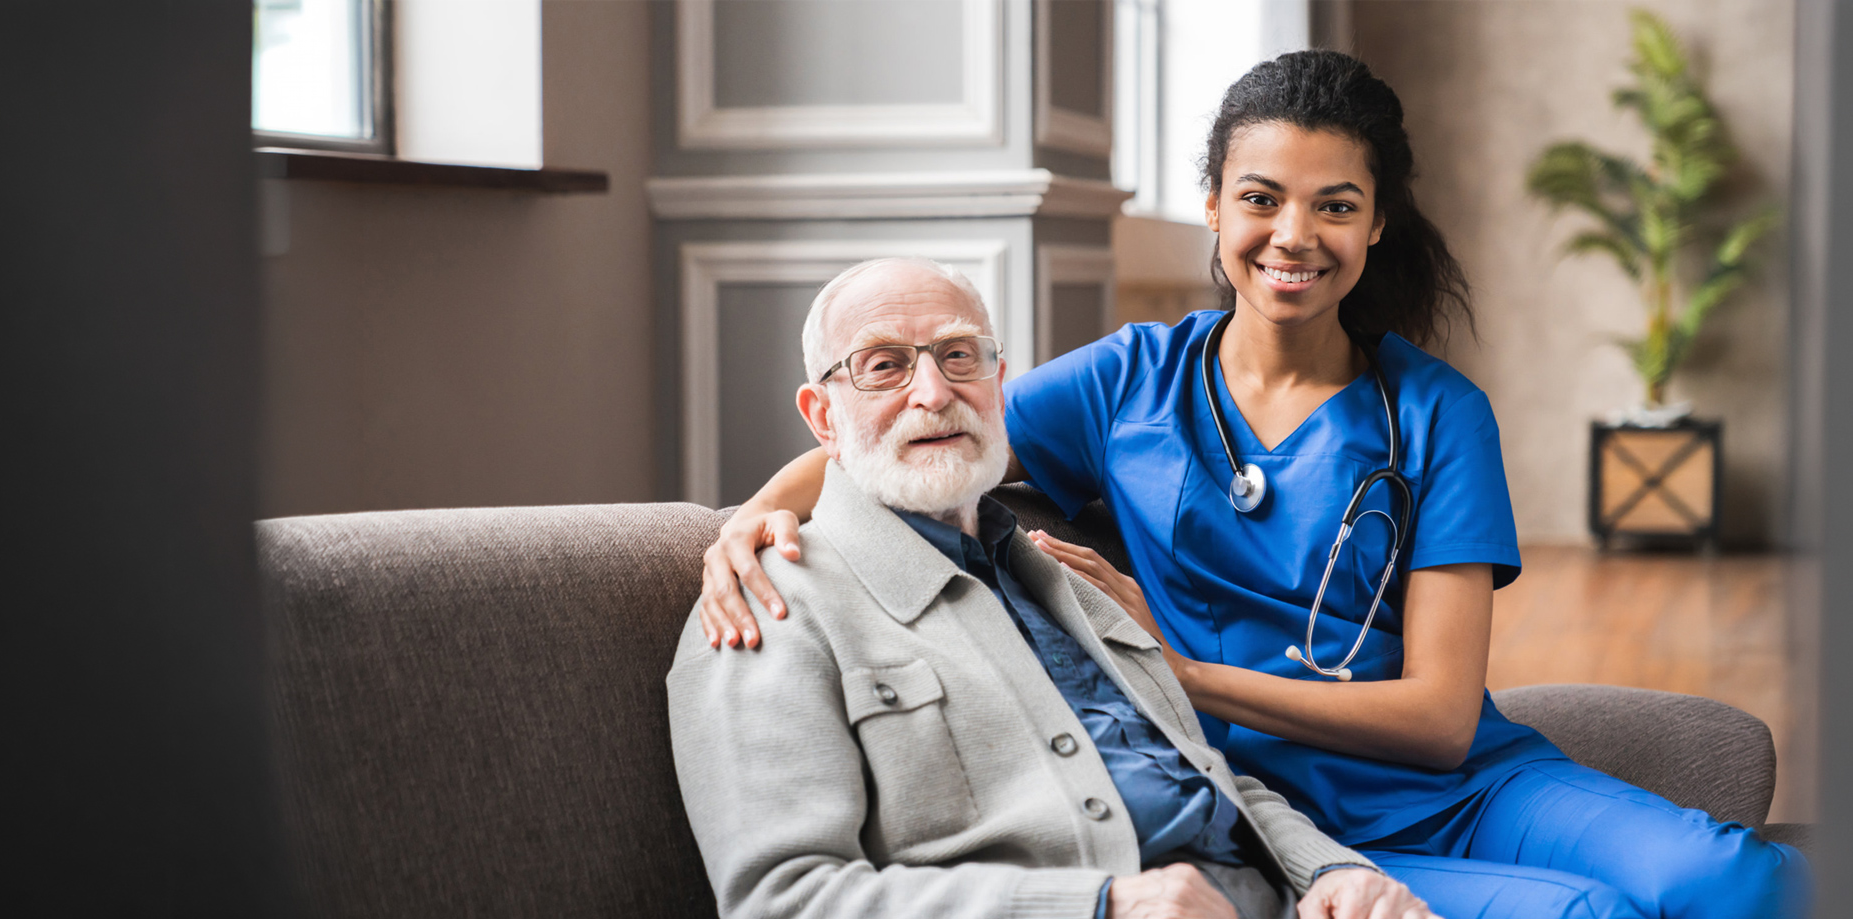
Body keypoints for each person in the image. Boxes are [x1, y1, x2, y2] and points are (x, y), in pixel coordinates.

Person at [693, 52, 1807, 918]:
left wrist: (1178, 676)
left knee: (1742, 882)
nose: (1294, 236)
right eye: (1261, 198)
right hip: (1269, 820)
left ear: (1377, 225)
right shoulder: (1125, 381)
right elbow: (919, 424)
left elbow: (1434, 720)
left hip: (1456, 785)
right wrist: (751, 520)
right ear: (1217, 210)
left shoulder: (1435, 413)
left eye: (1335, 205)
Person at [668, 256, 1438, 919]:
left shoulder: (1068, 578)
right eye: (884, 365)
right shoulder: (767, 607)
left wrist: (1335, 869)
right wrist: (1101, 903)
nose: (934, 392)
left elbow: (1204, 775)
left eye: (959, 356)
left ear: (999, 384)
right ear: (822, 416)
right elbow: (786, 899)